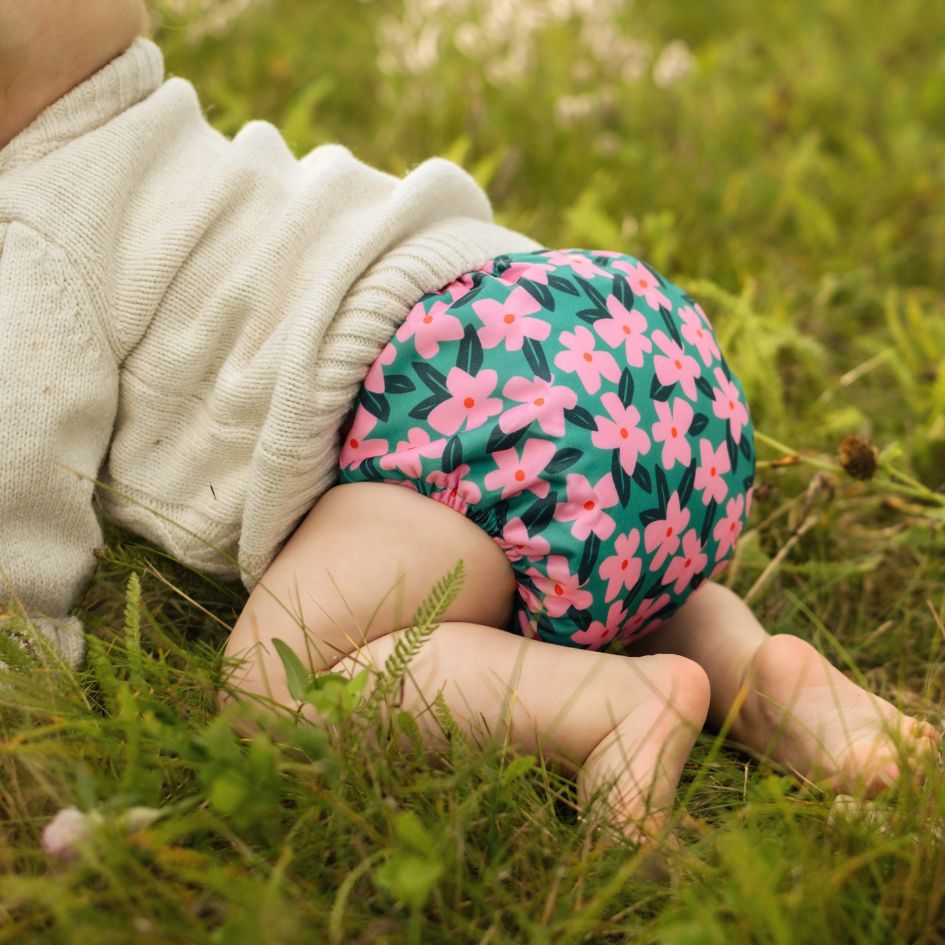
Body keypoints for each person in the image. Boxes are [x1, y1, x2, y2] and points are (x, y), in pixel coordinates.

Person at [0, 0, 936, 841]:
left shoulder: (36, 237)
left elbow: (16, 502)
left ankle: (606, 704)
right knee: (581, 551)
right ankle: (751, 670)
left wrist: (24, 697)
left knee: (276, 684)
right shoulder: (179, 134)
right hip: (612, 335)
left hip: (470, 407)